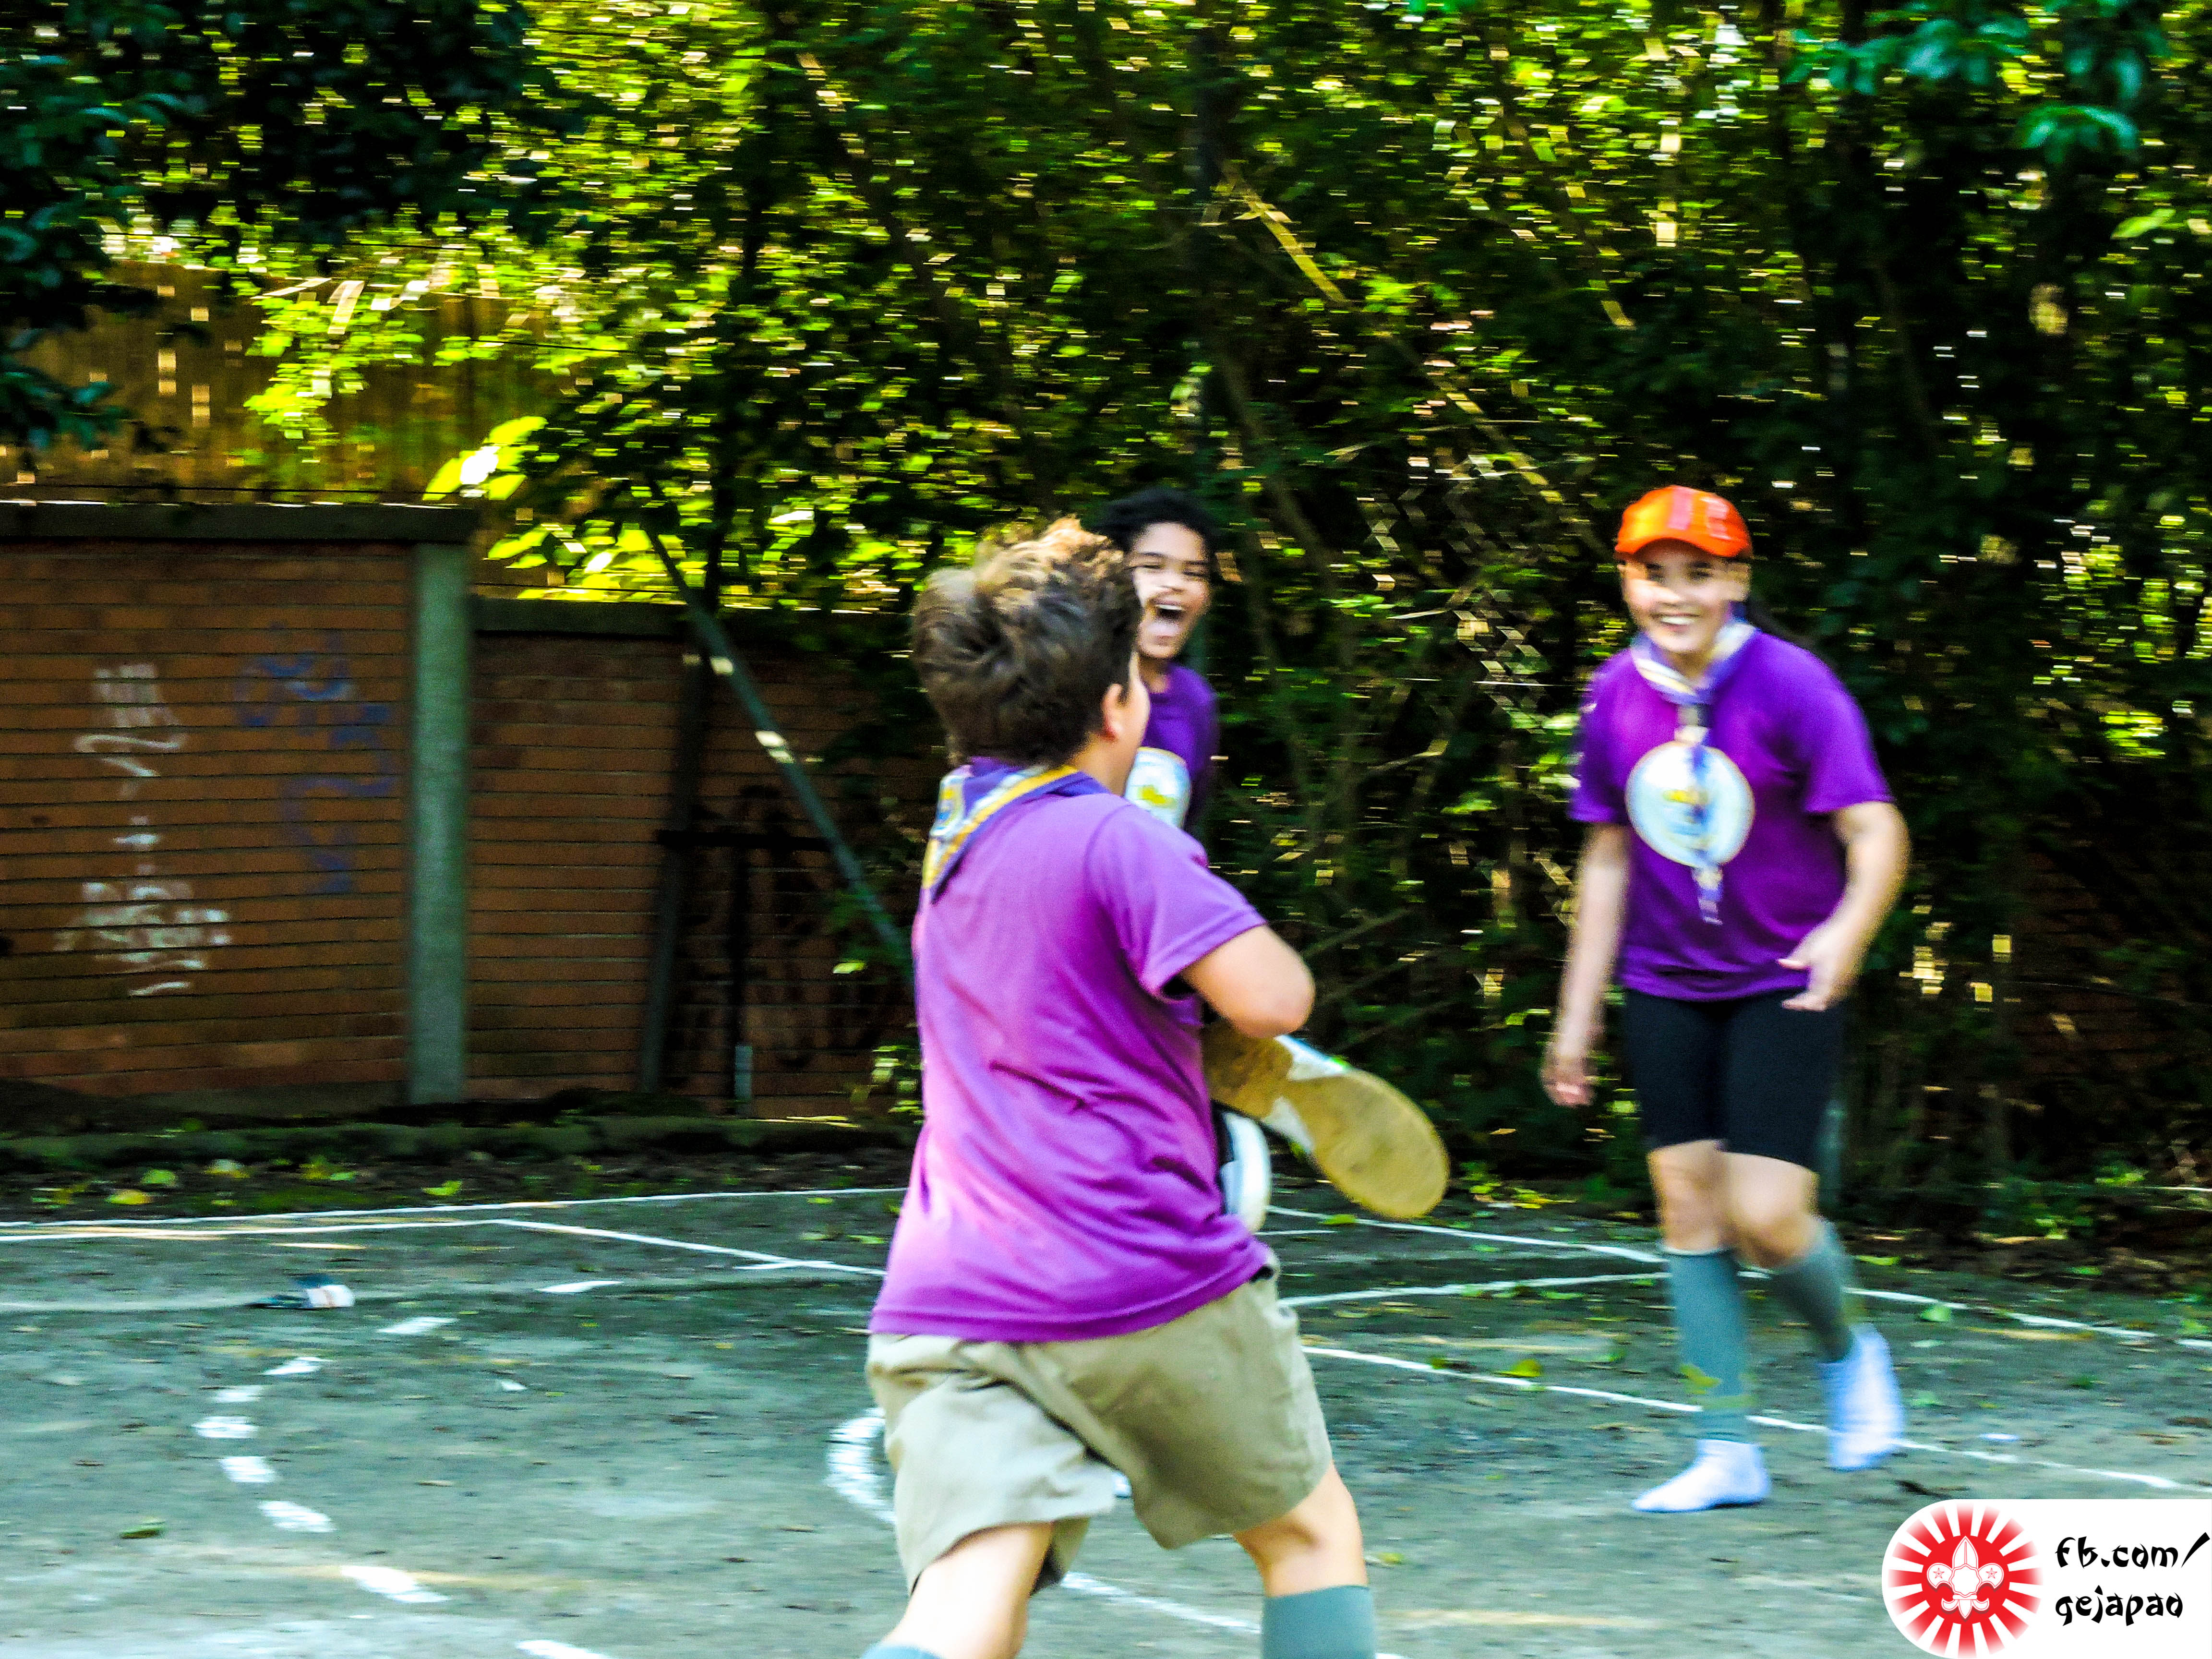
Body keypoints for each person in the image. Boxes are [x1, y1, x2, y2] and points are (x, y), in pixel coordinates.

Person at [862, 519, 1375, 1659]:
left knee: (968, 1599)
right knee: (1309, 1536)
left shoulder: (956, 832)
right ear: (1118, 708)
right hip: (1135, 1274)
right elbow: (1272, 999)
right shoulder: (1119, 841)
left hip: (954, 1297)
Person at [1543, 485, 1911, 1515]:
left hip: (1784, 977)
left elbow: (1876, 830)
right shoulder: (1614, 693)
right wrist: (1576, 1013)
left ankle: (1849, 1347)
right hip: (1666, 982)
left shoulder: (1791, 684)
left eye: (1698, 574)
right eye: (1652, 574)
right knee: (1688, 1209)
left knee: (1768, 1215)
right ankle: (1725, 1448)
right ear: (1627, 582)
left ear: (1736, 580)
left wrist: (1847, 932)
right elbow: (1607, 858)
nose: (1674, 595)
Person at [1090, 486, 1220, 835]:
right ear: (1108, 578)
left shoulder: (1196, 701)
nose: (1174, 584)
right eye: (1152, 567)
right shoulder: (1071, 682)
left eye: (1194, 573)